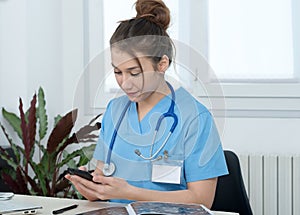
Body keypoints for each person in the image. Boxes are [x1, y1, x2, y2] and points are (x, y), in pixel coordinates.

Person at [65, 0, 228, 209]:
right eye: (117, 72)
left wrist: (130, 192)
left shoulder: (195, 117)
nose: (125, 83)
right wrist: (93, 189)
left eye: (135, 73)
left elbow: (202, 199)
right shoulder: (115, 111)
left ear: (162, 64)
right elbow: (103, 182)